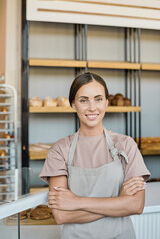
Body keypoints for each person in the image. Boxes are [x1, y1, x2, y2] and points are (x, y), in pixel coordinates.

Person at [40, 72, 150, 239]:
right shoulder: (59, 150)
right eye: (83, 100)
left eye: (98, 99)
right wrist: (118, 202)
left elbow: (136, 205)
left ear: (106, 103)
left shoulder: (126, 145)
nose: (92, 107)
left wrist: (77, 202)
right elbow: (62, 215)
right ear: (73, 104)